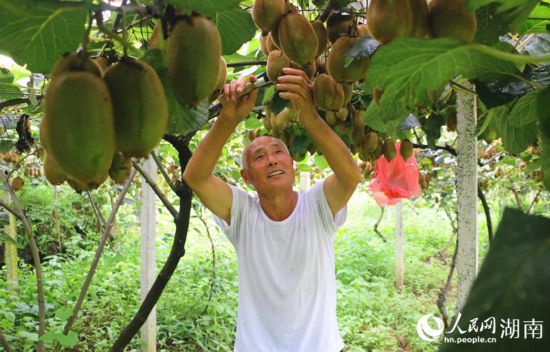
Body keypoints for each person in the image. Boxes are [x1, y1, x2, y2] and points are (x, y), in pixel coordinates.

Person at [182, 67, 361, 352]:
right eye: (259, 157)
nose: (272, 161)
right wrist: (228, 118)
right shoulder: (241, 214)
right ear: (246, 176)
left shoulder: (317, 206)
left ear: (291, 164)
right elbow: (195, 177)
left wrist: (310, 116)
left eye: (279, 152)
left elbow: (350, 176)